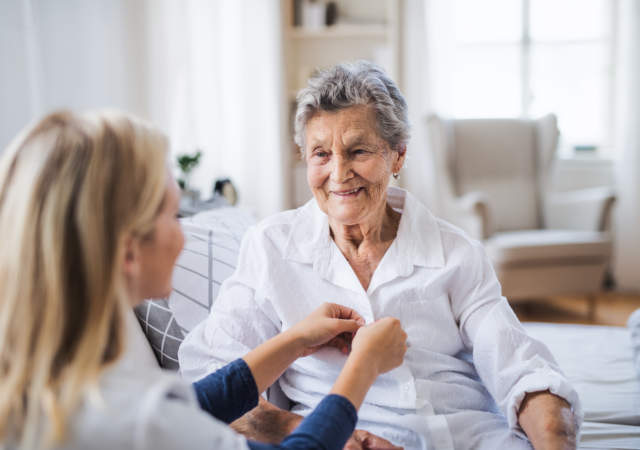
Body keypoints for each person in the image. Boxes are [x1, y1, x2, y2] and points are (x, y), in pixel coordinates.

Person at [179, 61, 582, 450]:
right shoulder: (270, 247)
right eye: (321, 154)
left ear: (398, 155)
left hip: (465, 437)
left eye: (358, 152)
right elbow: (211, 375)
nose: (338, 173)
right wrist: (299, 429)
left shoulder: (455, 253)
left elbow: (521, 370)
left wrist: (552, 435)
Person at [0, 110, 409, 450]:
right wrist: (363, 366)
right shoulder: (140, 423)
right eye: (172, 215)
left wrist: (294, 341)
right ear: (127, 249)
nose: (183, 234)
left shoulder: (55, 386)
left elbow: (194, 405)